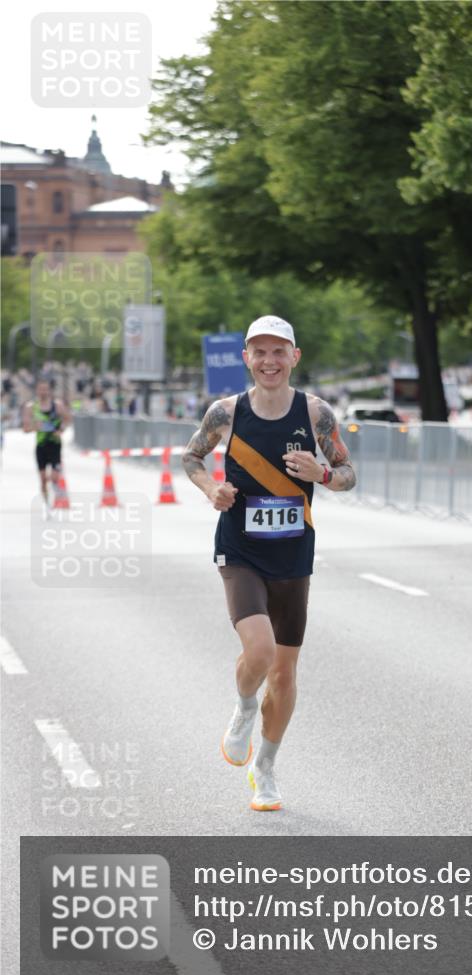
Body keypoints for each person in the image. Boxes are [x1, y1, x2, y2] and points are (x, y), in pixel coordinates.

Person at [182, 315, 356, 811]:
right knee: (257, 652)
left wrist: (322, 472)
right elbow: (191, 458)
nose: (269, 361)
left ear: (294, 357)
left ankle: (266, 768)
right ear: (246, 358)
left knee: (283, 674)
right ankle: (242, 710)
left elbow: (349, 472)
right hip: (240, 548)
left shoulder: (316, 413)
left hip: (293, 553)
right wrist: (211, 488)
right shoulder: (226, 413)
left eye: (279, 351)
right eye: (259, 351)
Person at [22, 377, 70, 513]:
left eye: (46, 389)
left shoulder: (58, 405)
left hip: (55, 444)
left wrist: (61, 430)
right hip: (41, 445)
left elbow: (68, 419)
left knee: (55, 476)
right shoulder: (31, 407)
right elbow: (25, 429)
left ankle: (55, 486)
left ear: (49, 390)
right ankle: (47, 502)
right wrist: (34, 426)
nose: (43, 392)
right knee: (43, 479)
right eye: (41, 389)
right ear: (37, 391)